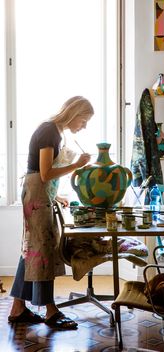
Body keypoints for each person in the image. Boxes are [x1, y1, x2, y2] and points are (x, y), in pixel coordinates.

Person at [8, 96, 94, 329]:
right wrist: (77, 165)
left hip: (40, 195)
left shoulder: (55, 131)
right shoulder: (49, 132)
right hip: (36, 197)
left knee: (31, 251)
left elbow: (41, 172)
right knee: (42, 252)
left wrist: (56, 196)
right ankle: (50, 311)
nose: (83, 126)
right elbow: (44, 173)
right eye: (83, 121)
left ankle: (18, 309)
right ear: (73, 113)